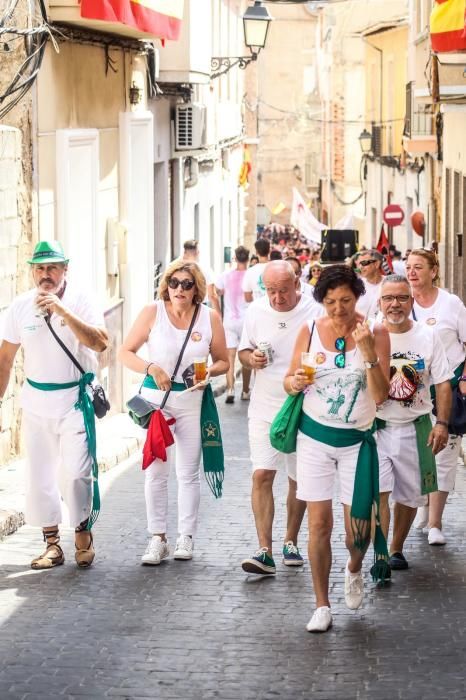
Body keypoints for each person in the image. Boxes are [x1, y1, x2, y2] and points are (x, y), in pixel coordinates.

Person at [284, 264, 390, 633]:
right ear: (321, 301)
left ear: (358, 296)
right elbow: (288, 382)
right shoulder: (309, 329)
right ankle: (321, 604)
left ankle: (354, 568)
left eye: (345, 300)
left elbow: (381, 395)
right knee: (319, 524)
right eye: (330, 301)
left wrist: (369, 352)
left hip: (356, 443)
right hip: (314, 438)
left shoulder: (374, 331)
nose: (338, 309)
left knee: (356, 532)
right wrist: (294, 381)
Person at [0, 241, 108, 569]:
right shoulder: (19, 307)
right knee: (40, 475)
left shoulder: (81, 300)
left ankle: (82, 530)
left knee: (77, 473)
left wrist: (62, 311)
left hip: (74, 400)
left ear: (65, 270)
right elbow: (5, 359)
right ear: (32, 270)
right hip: (36, 401)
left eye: (52, 268)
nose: (45, 275)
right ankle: (52, 544)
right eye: (39, 268)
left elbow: (101, 342)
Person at [118, 259, 228, 565]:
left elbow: (223, 360)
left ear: (197, 289)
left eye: (187, 284)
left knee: (188, 472)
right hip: (157, 404)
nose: (179, 289)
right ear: (166, 285)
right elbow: (124, 352)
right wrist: (151, 367)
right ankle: (158, 538)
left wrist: (207, 372)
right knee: (155, 471)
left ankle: (186, 537)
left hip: (192, 402)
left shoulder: (209, 318)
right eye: (174, 283)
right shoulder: (152, 313)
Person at [238, 261, 321, 576]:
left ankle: (291, 541)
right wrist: (252, 359)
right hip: (264, 405)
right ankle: (264, 550)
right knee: (261, 475)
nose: (277, 298)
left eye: (283, 291)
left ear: (297, 282)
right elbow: (243, 352)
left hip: (304, 405)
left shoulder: (313, 309)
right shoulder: (257, 311)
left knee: (298, 479)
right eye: (271, 291)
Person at [376, 275, 452, 570]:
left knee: (408, 496)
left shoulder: (427, 336)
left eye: (402, 298)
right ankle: (380, 552)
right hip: (377, 427)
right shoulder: (370, 332)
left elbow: (443, 383)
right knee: (379, 492)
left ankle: (396, 548)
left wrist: (442, 423)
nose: (395, 304)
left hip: (414, 426)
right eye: (388, 298)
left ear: (411, 301)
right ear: (380, 302)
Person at [406, 249, 466, 545]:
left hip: (449, 385)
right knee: (417, 453)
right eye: (408, 267)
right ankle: (422, 505)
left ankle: (435, 523)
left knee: (444, 454)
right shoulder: (401, 302)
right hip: (413, 389)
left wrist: (465, 378)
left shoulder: (451, 304)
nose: (412, 272)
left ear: (434, 270)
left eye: (418, 267)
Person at [216, 246, 252, 403]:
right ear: (248, 258)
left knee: (229, 358)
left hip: (229, 320)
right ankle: (245, 391)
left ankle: (230, 390)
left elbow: (217, 291)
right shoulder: (251, 275)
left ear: (235, 258)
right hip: (246, 320)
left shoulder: (225, 275)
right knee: (246, 356)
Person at [181, 240, 221, 314]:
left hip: (180, 307)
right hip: (199, 309)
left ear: (184, 252)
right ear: (197, 253)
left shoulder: (175, 268)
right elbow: (212, 295)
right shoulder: (205, 269)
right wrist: (219, 317)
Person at [355, 249, 384, 320]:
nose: (360, 267)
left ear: (376, 264)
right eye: (359, 264)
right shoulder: (355, 285)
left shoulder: (390, 284)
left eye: (364, 263)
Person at [242, 238, 270, 303]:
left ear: (256, 252)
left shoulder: (250, 271)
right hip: (274, 309)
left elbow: (247, 297)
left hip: (257, 309)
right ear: (269, 250)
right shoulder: (276, 268)